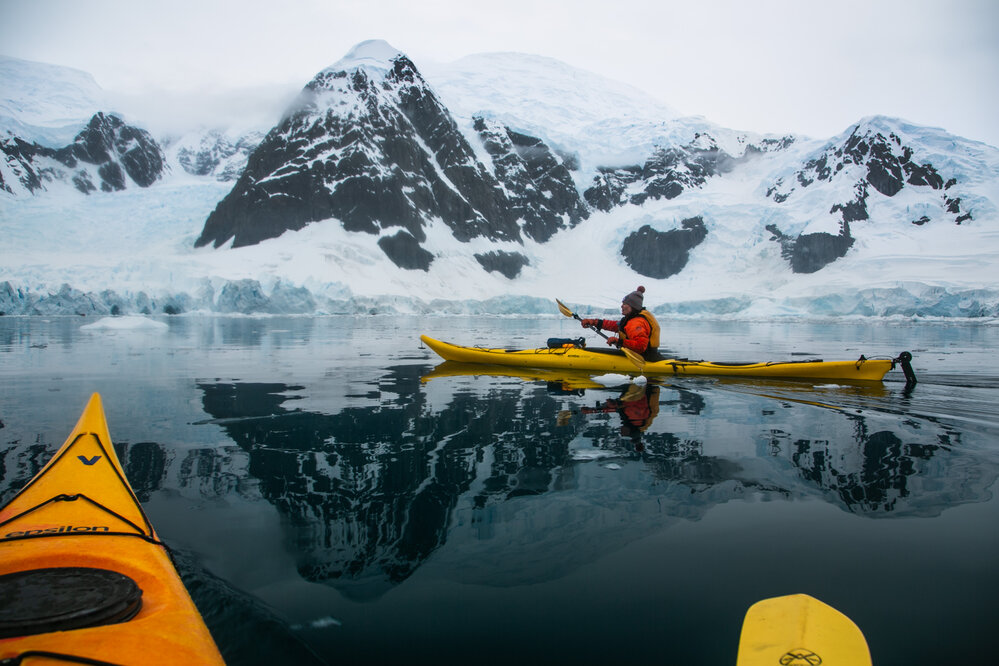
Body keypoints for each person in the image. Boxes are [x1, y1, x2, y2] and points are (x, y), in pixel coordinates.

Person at [580, 286, 661, 360]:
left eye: (625, 304)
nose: (622, 306)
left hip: (643, 358)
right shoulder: (632, 319)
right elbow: (615, 326)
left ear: (633, 306)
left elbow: (641, 346)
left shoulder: (636, 322)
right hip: (639, 356)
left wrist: (618, 341)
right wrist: (594, 322)